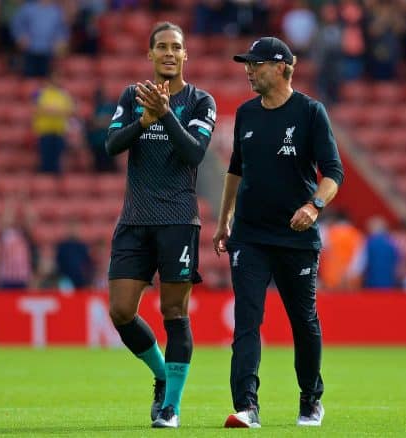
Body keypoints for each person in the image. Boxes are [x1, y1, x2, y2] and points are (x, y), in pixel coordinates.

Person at [212, 37, 344, 428]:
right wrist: (224, 222)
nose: (248, 70)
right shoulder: (246, 114)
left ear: (284, 67)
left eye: (257, 63)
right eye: (247, 64)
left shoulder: (310, 112)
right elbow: (235, 171)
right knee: (247, 321)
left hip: (296, 237)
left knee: (303, 321)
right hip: (249, 236)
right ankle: (247, 407)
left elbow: (334, 173)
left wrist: (314, 205)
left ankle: (310, 399)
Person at [105, 22, 216, 429]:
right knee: (120, 311)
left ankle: (170, 407)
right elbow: (112, 145)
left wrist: (165, 115)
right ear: (149, 55)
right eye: (162, 47)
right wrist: (144, 121)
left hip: (177, 220)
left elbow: (195, 153)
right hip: (134, 219)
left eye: (177, 47)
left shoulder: (201, 101)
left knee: (174, 311)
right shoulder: (131, 97)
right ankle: (160, 374)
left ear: (186, 55)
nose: (170, 53)